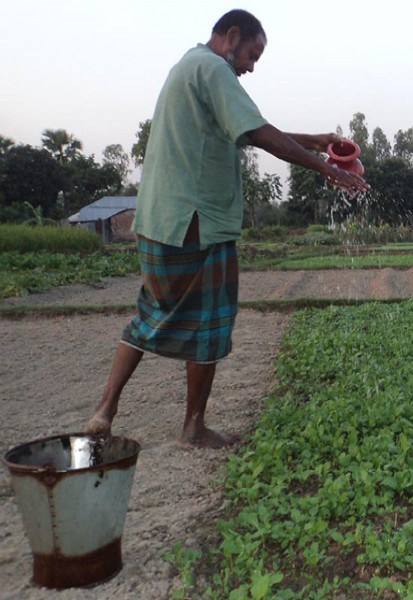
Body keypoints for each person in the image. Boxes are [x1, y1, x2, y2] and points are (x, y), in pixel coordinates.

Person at [86, 9, 368, 448]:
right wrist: (328, 169)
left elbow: (242, 130)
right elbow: (256, 132)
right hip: (196, 221)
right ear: (232, 36)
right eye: (253, 54)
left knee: (149, 314)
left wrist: (312, 140)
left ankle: (104, 410)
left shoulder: (188, 67)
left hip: (159, 219)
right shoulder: (216, 70)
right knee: (211, 322)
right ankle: (193, 427)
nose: (251, 66)